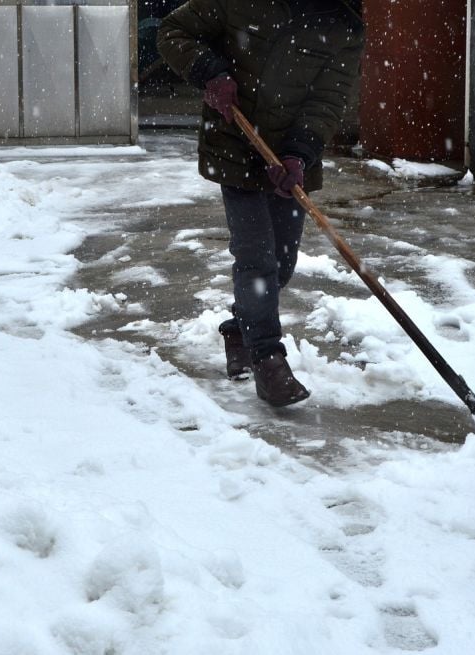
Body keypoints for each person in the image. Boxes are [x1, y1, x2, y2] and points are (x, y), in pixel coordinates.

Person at [158, 0, 364, 407]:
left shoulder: (345, 26)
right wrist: (209, 72)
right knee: (256, 258)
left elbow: (328, 98)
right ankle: (269, 360)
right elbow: (172, 32)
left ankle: (239, 330)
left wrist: (299, 153)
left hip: (287, 159)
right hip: (235, 143)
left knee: (281, 264)